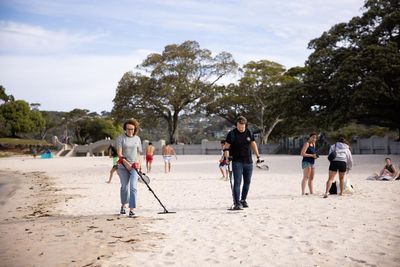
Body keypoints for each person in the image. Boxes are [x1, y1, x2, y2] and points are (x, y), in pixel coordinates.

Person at [223, 116, 261, 210]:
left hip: (248, 161)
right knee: (237, 182)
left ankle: (243, 200)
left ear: (245, 125)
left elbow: (253, 144)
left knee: (247, 182)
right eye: (239, 126)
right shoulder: (231, 134)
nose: (241, 128)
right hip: (237, 162)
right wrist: (227, 158)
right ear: (236, 125)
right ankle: (236, 203)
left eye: (242, 127)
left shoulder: (249, 132)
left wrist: (258, 156)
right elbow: (226, 147)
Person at [116, 118, 142, 217]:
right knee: (124, 187)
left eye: (132, 129)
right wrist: (125, 162)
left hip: (135, 167)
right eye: (128, 129)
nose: (130, 131)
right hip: (123, 166)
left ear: (135, 129)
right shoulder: (121, 138)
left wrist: (140, 165)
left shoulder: (137, 139)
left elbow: (139, 153)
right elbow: (119, 153)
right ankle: (123, 205)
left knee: (133, 187)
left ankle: (132, 209)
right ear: (125, 129)